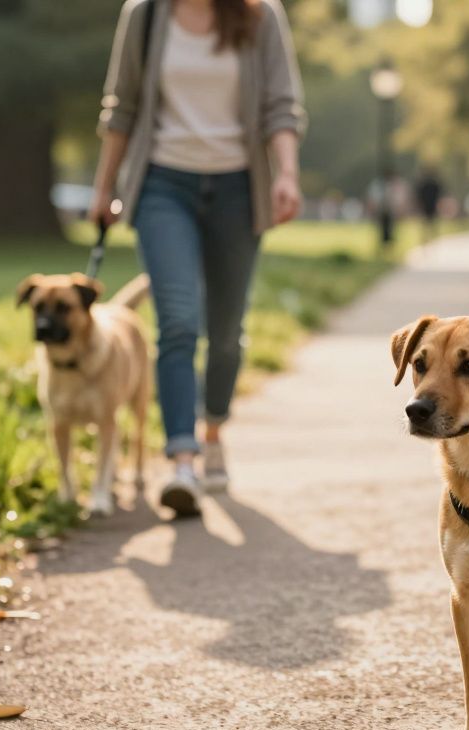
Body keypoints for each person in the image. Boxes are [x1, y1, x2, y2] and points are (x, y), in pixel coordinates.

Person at [90, 0, 305, 515]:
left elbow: (281, 104)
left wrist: (287, 173)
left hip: (238, 187)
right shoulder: (144, 16)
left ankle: (212, 429)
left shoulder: (259, 15)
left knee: (226, 333)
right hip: (163, 185)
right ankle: (182, 459)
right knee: (179, 321)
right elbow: (121, 107)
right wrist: (103, 187)